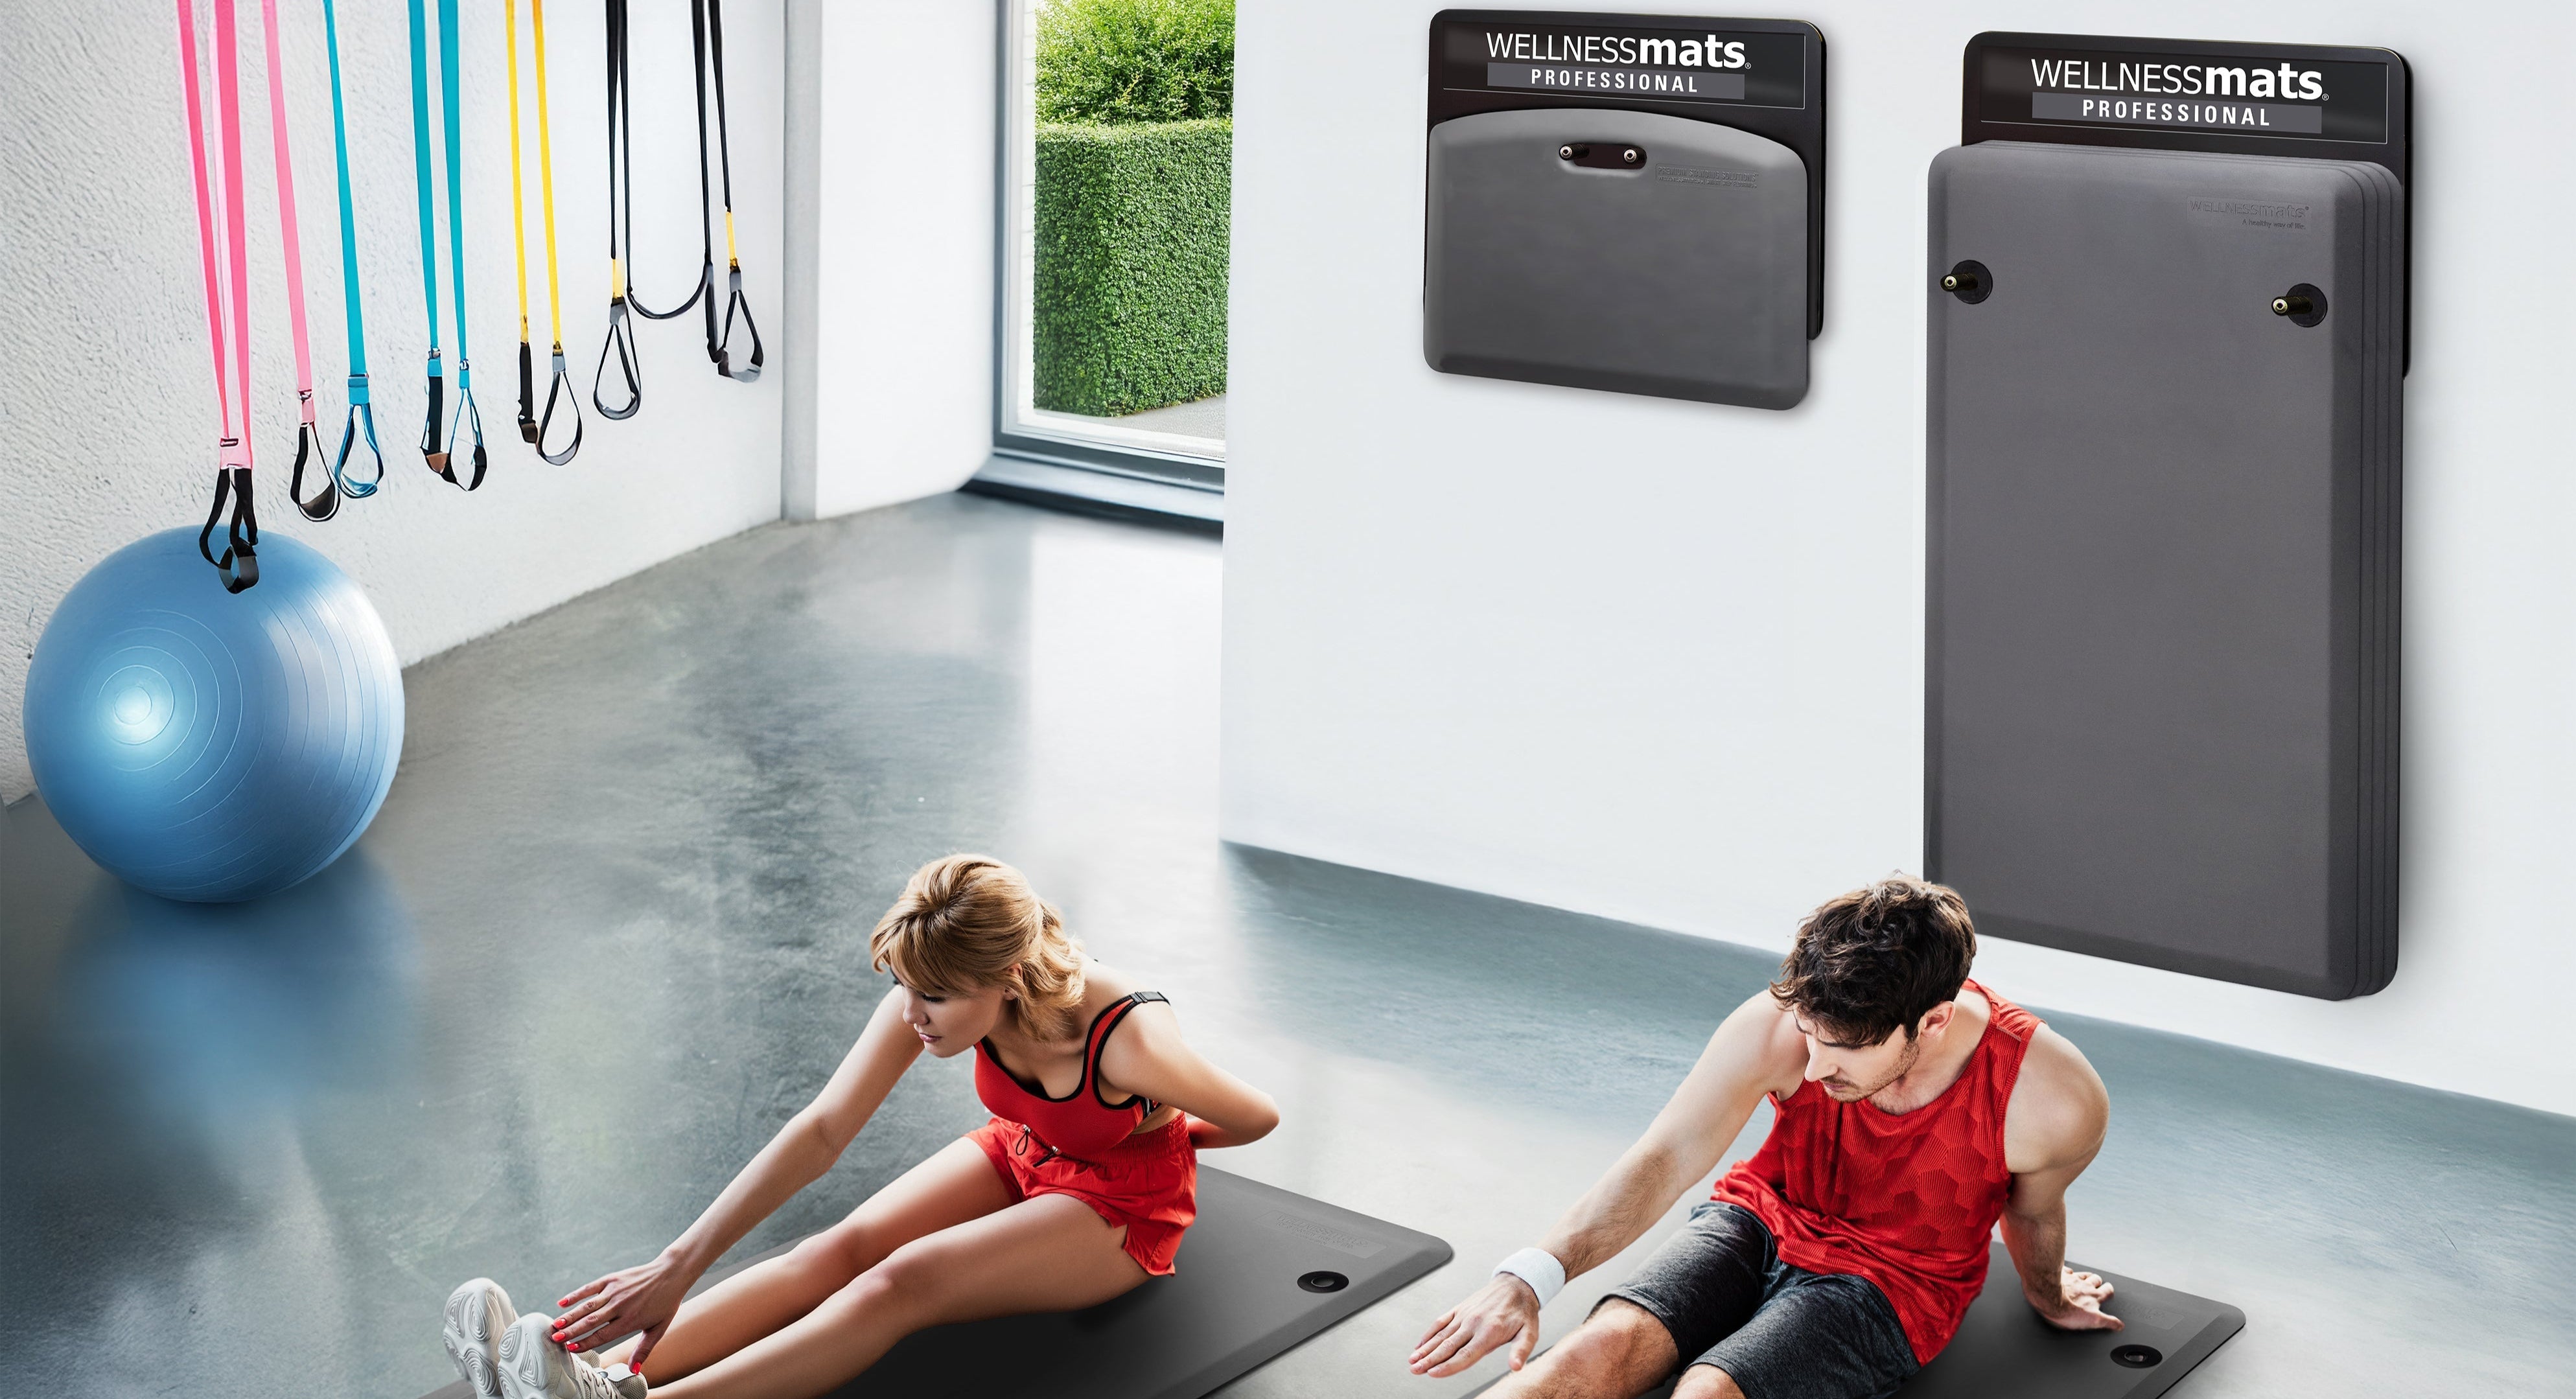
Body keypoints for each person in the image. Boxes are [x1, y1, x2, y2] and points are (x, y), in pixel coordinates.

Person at [436, 854, 1280, 1399]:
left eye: (933, 998)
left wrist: (1154, 1139)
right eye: (904, 988)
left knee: (899, 1281)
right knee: (831, 1251)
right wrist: (676, 1263)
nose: (910, 1014)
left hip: (1124, 1205)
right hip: (1022, 1150)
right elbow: (821, 1129)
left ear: (1010, 976)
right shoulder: (932, 984)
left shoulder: (1127, 1042)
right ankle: (595, 1373)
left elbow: (1254, 1113)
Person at [1412, 874, 2120, 1399]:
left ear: (1932, 1021)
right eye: (1808, 1035)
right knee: (1588, 1352)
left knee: (1708, 1393)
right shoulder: (1779, 1022)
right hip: (1759, 1218)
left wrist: (2050, 1291)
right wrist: (1528, 1277)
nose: (1811, 1066)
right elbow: (1667, 1156)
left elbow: (2029, 1205)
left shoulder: (2049, 1097)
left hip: (1895, 1279)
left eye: (1841, 1050)